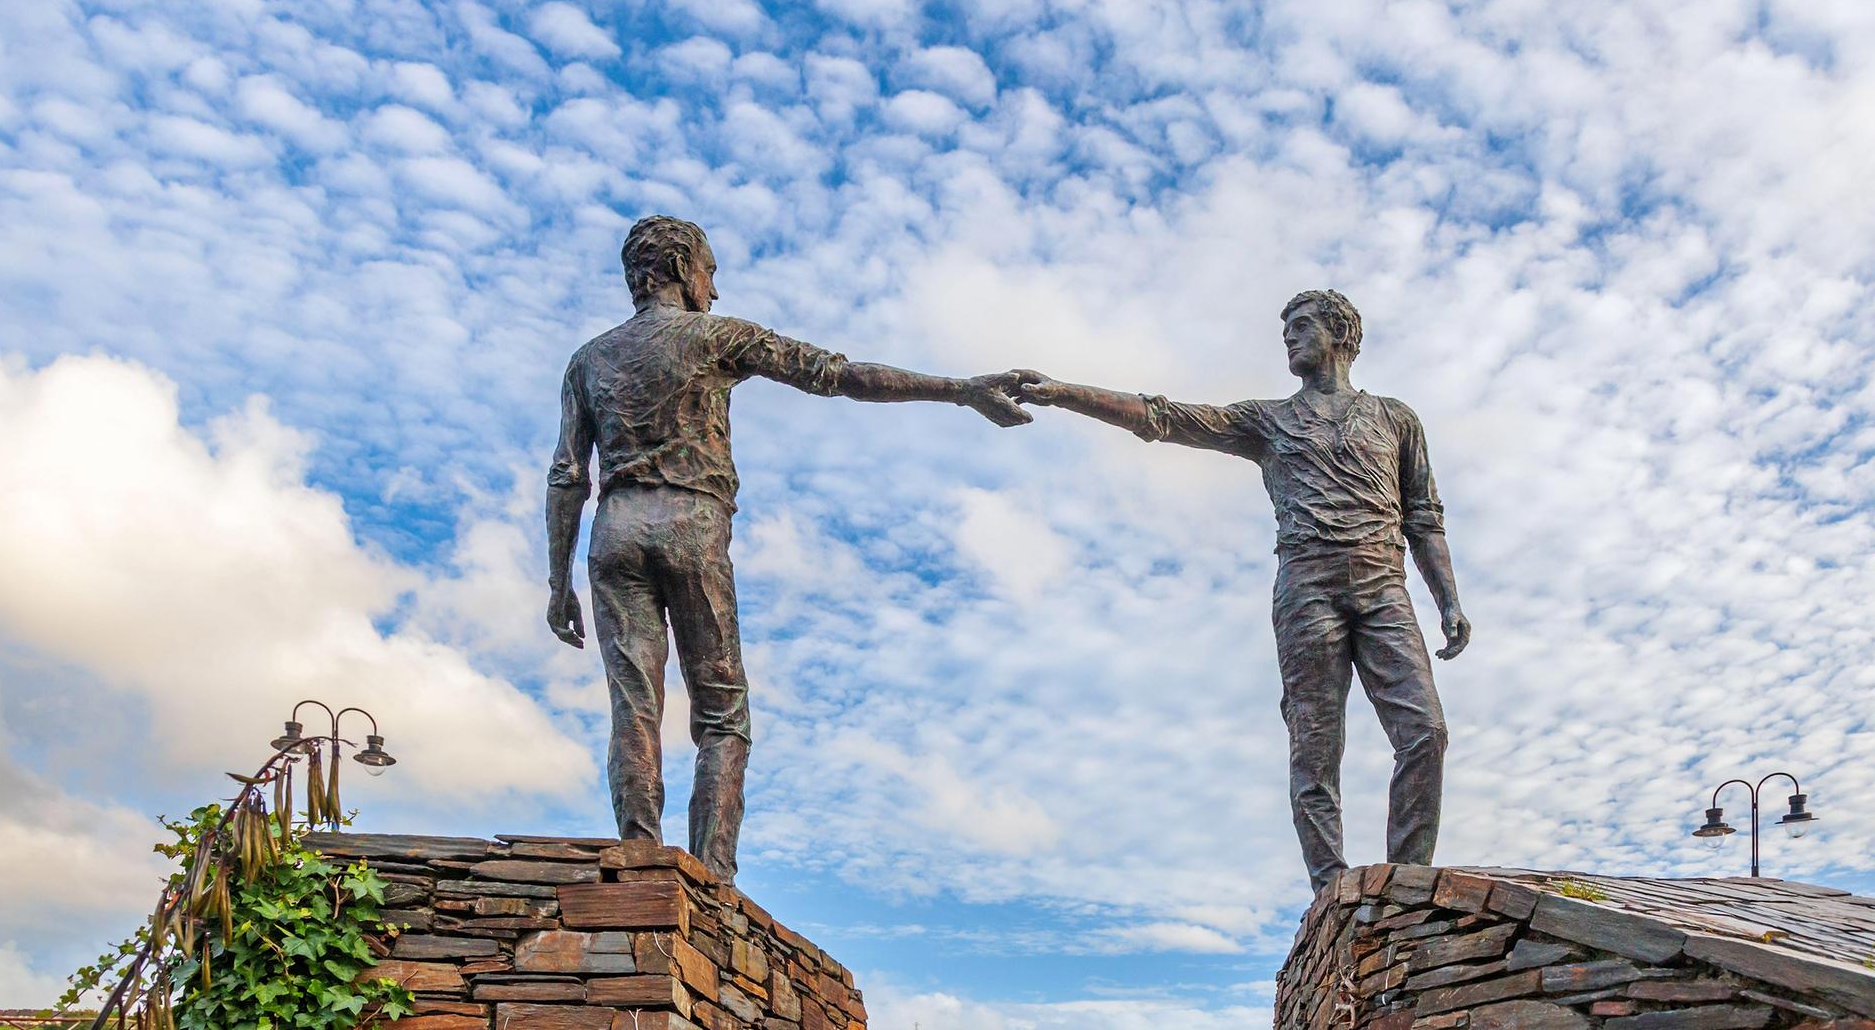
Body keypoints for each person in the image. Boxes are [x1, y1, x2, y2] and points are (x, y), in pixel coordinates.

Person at [545, 215, 1029, 882]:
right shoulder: (718, 337)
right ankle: (713, 882)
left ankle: (637, 853)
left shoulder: (588, 360)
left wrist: (556, 580)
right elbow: (841, 375)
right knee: (724, 714)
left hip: (616, 530)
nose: (715, 288)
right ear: (683, 269)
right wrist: (960, 390)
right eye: (710, 270)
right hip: (691, 524)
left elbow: (569, 474)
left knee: (635, 705)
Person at [1010, 290, 1471, 892]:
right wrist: (1063, 391)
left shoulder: (1396, 419)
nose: (1288, 338)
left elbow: (1424, 517)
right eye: (1286, 329)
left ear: (1339, 335)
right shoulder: (1269, 420)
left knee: (1425, 732)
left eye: (1301, 327)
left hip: (1385, 585)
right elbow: (1165, 418)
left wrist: (1449, 599)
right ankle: (1331, 890)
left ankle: (1406, 887)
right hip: (1307, 589)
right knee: (1314, 745)